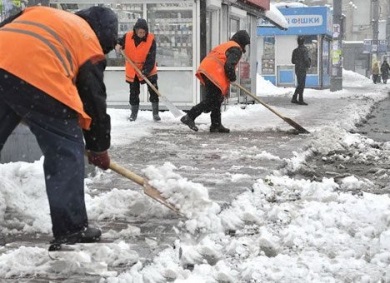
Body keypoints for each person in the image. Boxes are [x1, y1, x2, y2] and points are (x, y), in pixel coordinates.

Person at [0, 6, 118, 247]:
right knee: (66, 150)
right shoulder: (88, 42)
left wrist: (17, 101)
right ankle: (70, 229)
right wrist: (98, 148)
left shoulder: (42, 12)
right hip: (41, 75)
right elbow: (94, 101)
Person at [180, 30, 250, 133]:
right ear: (242, 42)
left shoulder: (228, 45)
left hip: (208, 70)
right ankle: (189, 116)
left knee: (217, 99)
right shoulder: (236, 49)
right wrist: (232, 78)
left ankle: (216, 124)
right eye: (245, 44)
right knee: (211, 100)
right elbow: (229, 65)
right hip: (214, 72)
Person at [116, 18, 161, 122]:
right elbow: (119, 42)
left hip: (148, 68)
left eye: (143, 32)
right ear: (135, 30)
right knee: (134, 92)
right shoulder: (128, 36)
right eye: (139, 32)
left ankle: (155, 113)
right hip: (133, 69)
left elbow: (151, 57)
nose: (141, 34)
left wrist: (145, 71)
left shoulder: (150, 39)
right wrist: (118, 45)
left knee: (153, 90)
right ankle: (133, 113)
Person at [291, 36, 311, 106]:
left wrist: (298, 62)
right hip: (302, 69)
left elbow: (293, 61)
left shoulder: (295, 50)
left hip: (297, 69)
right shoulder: (304, 50)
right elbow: (306, 59)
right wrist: (308, 64)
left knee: (300, 84)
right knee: (301, 84)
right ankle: (300, 99)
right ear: (303, 42)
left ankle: (295, 98)